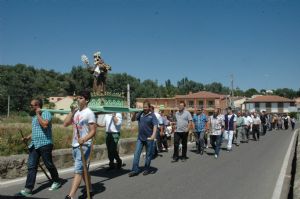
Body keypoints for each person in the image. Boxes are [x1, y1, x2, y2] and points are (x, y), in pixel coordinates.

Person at [16, 99, 61, 197]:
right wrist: (27, 137)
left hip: (45, 144)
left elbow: (44, 125)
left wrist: (38, 114)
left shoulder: (46, 113)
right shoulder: (34, 117)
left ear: (37, 105)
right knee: (31, 167)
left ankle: (57, 181)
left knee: (48, 164)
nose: (30, 107)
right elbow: (36, 130)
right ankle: (28, 189)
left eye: (32, 105)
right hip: (34, 144)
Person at [63, 91, 97, 199]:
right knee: (83, 170)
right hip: (75, 144)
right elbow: (65, 124)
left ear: (86, 100)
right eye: (77, 98)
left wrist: (84, 138)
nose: (78, 100)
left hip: (84, 145)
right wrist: (72, 112)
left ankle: (71, 195)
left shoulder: (89, 113)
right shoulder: (76, 112)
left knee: (78, 170)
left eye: (81, 98)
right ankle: (90, 189)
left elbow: (93, 131)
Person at [129, 101, 158, 177]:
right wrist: (135, 113)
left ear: (149, 107)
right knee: (136, 154)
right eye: (143, 107)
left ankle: (147, 169)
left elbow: (155, 125)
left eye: (146, 107)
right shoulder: (140, 113)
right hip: (140, 138)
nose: (144, 108)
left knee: (148, 155)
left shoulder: (152, 115)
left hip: (149, 138)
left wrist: (153, 136)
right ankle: (135, 170)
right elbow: (132, 120)